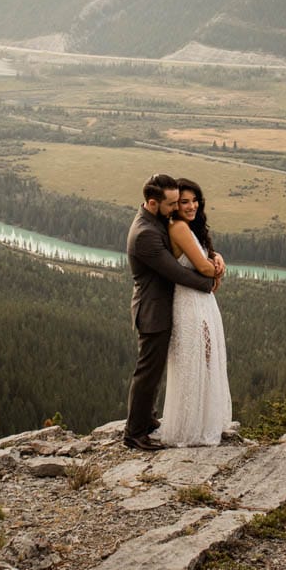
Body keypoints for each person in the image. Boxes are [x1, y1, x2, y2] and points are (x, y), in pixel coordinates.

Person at [124, 173, 218, 451]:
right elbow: (176, 272)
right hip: (154, 310)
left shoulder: (156, 222)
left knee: (155, 370)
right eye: (172, 204)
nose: (177, 208)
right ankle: (134, 433)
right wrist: (209, 283)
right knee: (148, 373)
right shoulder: (146, 235)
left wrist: (214, 257)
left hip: (164, 306)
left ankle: (148, 418)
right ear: (153, 203)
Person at [156, 178, 232, 446]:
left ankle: (202, 422)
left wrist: (217, 258)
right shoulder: (178, 228)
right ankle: (189, 428)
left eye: (194, 200)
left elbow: (206, 260)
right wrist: (216, 268)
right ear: (175, 206)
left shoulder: (188, 228)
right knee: (194, 362)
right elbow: (202, 267)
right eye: (184, 202)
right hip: (189, 302)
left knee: (206, 360)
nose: (191, 206)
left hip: (200, 301)